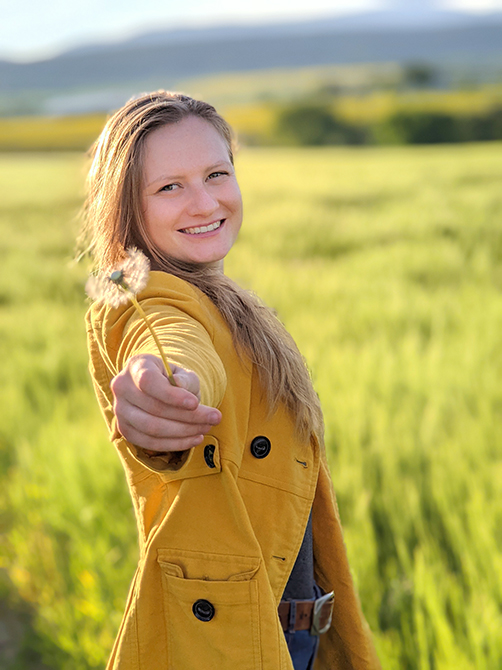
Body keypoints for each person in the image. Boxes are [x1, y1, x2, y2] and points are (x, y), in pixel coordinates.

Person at [83, 91, 380, 670]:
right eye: (169, 187)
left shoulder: (229, 303)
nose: (204, 202)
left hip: (289, 631)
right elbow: (169, 345)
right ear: (126, 207)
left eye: (217, 174)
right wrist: (165, 385)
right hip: (227, 642)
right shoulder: (151, 302)